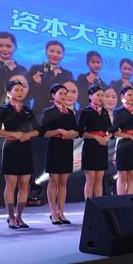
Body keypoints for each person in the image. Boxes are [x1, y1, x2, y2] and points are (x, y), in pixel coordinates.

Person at [0, 79, 40, 229]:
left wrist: (29, 134)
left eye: (21, 89)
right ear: (9, 93)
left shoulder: (27, 110)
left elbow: (38, 129)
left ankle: (19, 216)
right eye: (16, 90)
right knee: (11, 184)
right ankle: (11, 217)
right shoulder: (3, 109)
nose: (20, 92)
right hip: (11, 147)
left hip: (25, 148)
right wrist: (14, 134)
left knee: (24, 184)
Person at [41, 84, 78, 225]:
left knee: (63, 181)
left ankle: (61, 212)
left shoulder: (70, 113)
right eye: (60, 93)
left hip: (67, 147)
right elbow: (44, 133)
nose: (64, 96)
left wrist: (72, 133)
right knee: (54, 180)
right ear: (53, 95)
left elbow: (77, 131)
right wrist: (59, 131)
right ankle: (53, 213)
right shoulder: (49, 112)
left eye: (65, 93)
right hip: (54, 147)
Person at [78, 85, 112, 198]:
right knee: (90, 179)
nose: (100, 97)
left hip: (102, 147)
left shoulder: (104, 112)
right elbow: (80, 132)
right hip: (90, 147)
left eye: (102, 95)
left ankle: (98, 204)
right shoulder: (85, 112)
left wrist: (107, 137)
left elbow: (111, 129)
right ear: (90, 96)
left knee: (99, 180)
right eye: (98, 95)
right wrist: (95, 137)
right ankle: (89, 204)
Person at [112, 86, 133, 196]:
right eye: (129, 95)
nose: (132, 97)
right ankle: (121, 201)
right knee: (122, 176)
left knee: (132, 176)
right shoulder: (118, 111)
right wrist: (132, 137)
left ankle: (130, 200)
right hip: (123, 145)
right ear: (122, 96)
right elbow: (115, 132)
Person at [28, 40, 75, 120]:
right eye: (51, 51)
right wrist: (35, 83)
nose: (55, 55)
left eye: (59, 52)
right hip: (38, 112)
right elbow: (28, 95)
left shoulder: (67, 74)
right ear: (46, 51)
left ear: (63, 55)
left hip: (60, 114)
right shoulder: (36, 69)